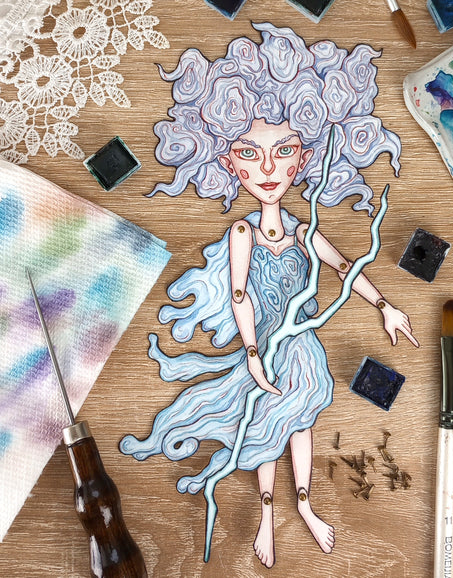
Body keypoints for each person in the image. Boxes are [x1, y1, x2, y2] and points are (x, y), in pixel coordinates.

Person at [120, 23, 418, 568]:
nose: (267, 169)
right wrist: (254, 353)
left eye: (283, 152)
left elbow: (346, 267)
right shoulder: (243, 232)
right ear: (227, 162)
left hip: (304, 347)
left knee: (299, 422)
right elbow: (239, 295)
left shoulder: (304, 230)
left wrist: (385, 306)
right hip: (264, 350)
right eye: (248, 153)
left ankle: (304, 506)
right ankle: (266, 517)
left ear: (303, 160)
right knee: (262, 429)